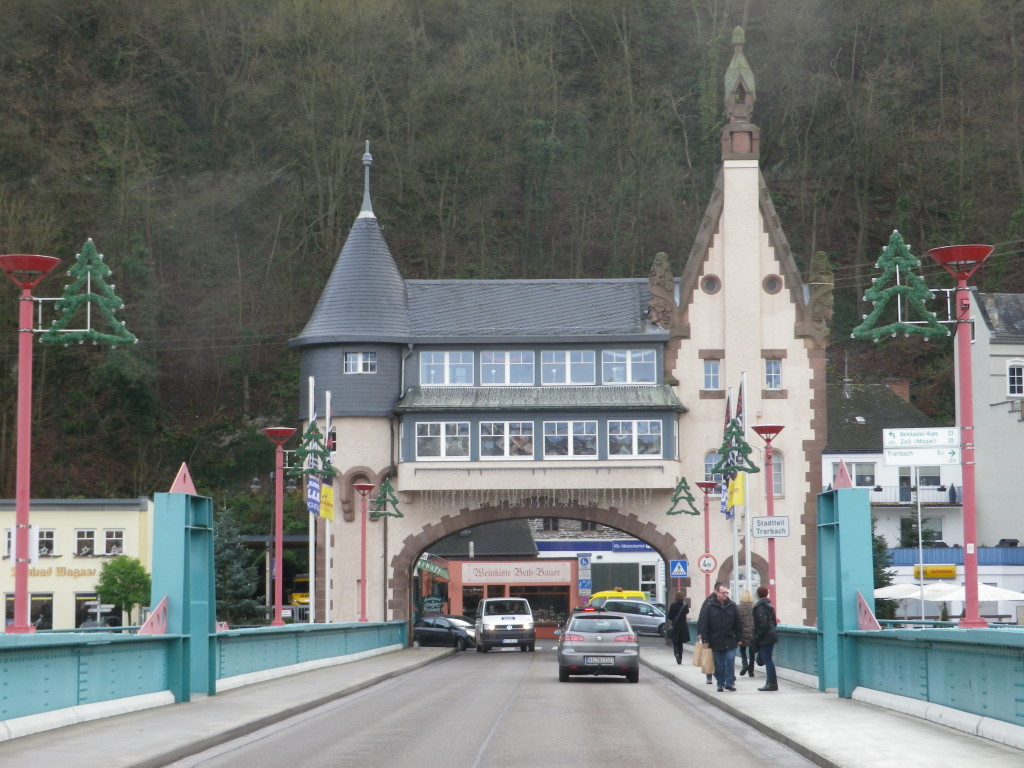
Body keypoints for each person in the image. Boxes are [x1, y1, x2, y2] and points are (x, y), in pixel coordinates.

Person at [697, 583, 743, 692]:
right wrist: (705, 639)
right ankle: (720, 683)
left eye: (726, 592)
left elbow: (738, 623)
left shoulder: (732, 606)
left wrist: (739, 638)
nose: (725, 595)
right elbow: (705, 624)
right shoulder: (710, 607)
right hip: (715, 640)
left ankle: (730, 682)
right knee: (719, 663)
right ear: (717, 593)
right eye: (723, 593)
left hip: (730, 639)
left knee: (730, 660)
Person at [752, 585, 779, 691]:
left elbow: (763, 624)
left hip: (765, 636)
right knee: (767, 659)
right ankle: (771, 683)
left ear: (757, 595)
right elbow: (773, 623)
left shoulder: (760, 607)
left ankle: (771, 683)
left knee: (767, 660)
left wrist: (757, 637)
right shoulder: (770, 605)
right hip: (771, 635)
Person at [695, 582, 722, 684]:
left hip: (720, 634)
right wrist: (700, 632)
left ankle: (715, 676)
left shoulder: (725, 602)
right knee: (709, 655)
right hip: (710, 634)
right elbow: (702, 618)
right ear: (716, 591)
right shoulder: (709, 602)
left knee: (715, 656)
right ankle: (710, 676)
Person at [666, 592, 690, 664]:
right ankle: (680, 657)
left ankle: (676, 654)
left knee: (675, 642)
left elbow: (669, 616)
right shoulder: (685, 605)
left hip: (675, 625)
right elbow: (687, 612)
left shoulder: (673, 605)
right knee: (681, 642)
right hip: (683, 626)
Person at [737, 588, 756, 678]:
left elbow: (737, 621)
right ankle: (751, 671)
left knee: (742, 650)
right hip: (752, 632)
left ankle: (745, 664)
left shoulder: (738, 607)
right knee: (752, 652)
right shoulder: (754, 607)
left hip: (743, 632)